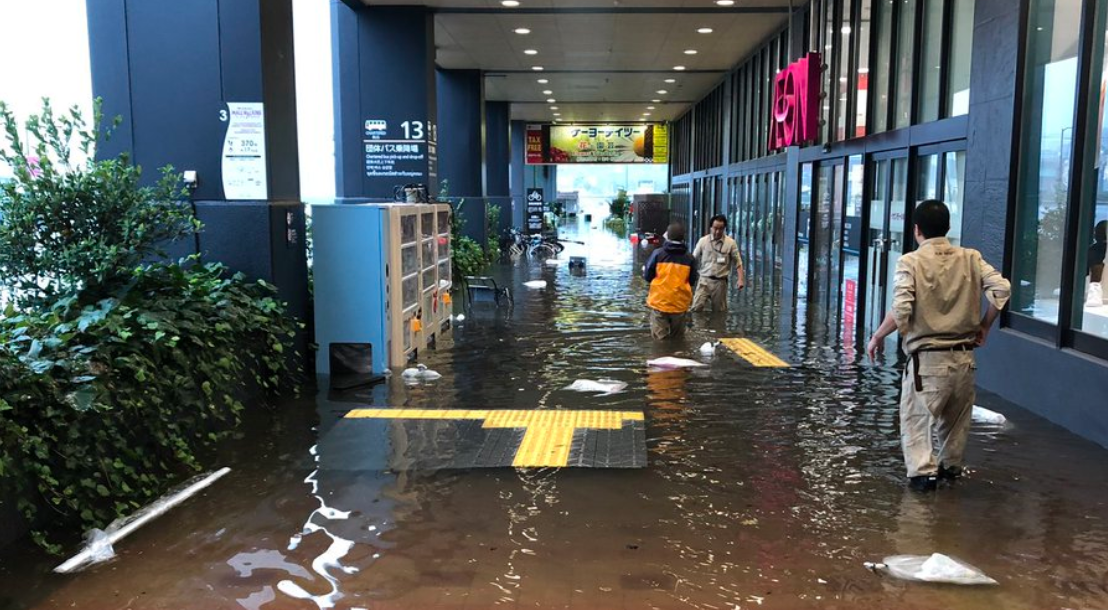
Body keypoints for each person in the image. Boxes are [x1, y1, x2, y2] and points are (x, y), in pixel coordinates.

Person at [866, 200, 1011, 492]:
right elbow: (1002, 288)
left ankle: (921, 523)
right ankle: (949, 514)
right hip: (965, 361)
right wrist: (984, 326)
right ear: (948, 227)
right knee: (952, 447)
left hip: (927, 364)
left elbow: (901, 309)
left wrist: (879, 336)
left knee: (918, 441)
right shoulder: (971, 258)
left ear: (916, 229)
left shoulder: (911, 261)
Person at [644, 223, 698, 340]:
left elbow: (648, 276)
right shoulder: (689, 258)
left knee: (660, 341)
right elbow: (693, 280)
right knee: (678, 340)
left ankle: (661, 355)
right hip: (679, 304)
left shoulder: (658, 254)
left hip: (660, 302)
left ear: (668, 236)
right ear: (683, 238)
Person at [691, 214, 745, 312]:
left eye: (721, 229)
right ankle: (698, 327)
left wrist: (740, 279)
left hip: (720, 282)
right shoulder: (703, 241)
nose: (717, 231)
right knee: (696, 308)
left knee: (719, 312)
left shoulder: (730, 243)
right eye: (715, 228)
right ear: (711, 227)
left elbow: (738, 263)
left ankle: (718, 327)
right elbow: (693, 259)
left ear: (724, 229)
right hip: (704, 280)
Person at [1085, 220, 1106, 307]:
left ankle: (1095, 287)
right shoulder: (1095, 249)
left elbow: (1084, 271)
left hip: (1095, 292)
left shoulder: (1094, 250)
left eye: (1096, 231)